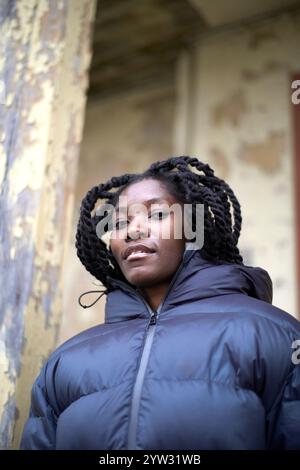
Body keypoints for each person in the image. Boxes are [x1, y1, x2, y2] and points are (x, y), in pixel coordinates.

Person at [20, 156, 300, 450]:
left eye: (157, 215)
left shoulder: (274, 334)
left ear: (194, 226)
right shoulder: (65, 362)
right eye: (120, 223)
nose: (133, 231)